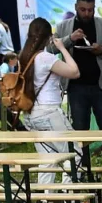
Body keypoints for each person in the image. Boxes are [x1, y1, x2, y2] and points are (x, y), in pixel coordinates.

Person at [54, 0, 102, 167]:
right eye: (83, 9)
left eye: (90, 10)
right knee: (80, 131)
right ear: (76, 8)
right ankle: (82, 168)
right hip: (76, 87)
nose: (87, 13)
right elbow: (50, 48)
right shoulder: (64, 26)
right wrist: (70, 39)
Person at [17, 18, 81, 186]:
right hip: (49, 112)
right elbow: (74, 72)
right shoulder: (46, 58)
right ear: (48, 38)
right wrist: (62, 48)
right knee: (74, 155)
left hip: (31, 113)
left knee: (47, 160)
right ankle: (70, 201)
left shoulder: (23, 57)